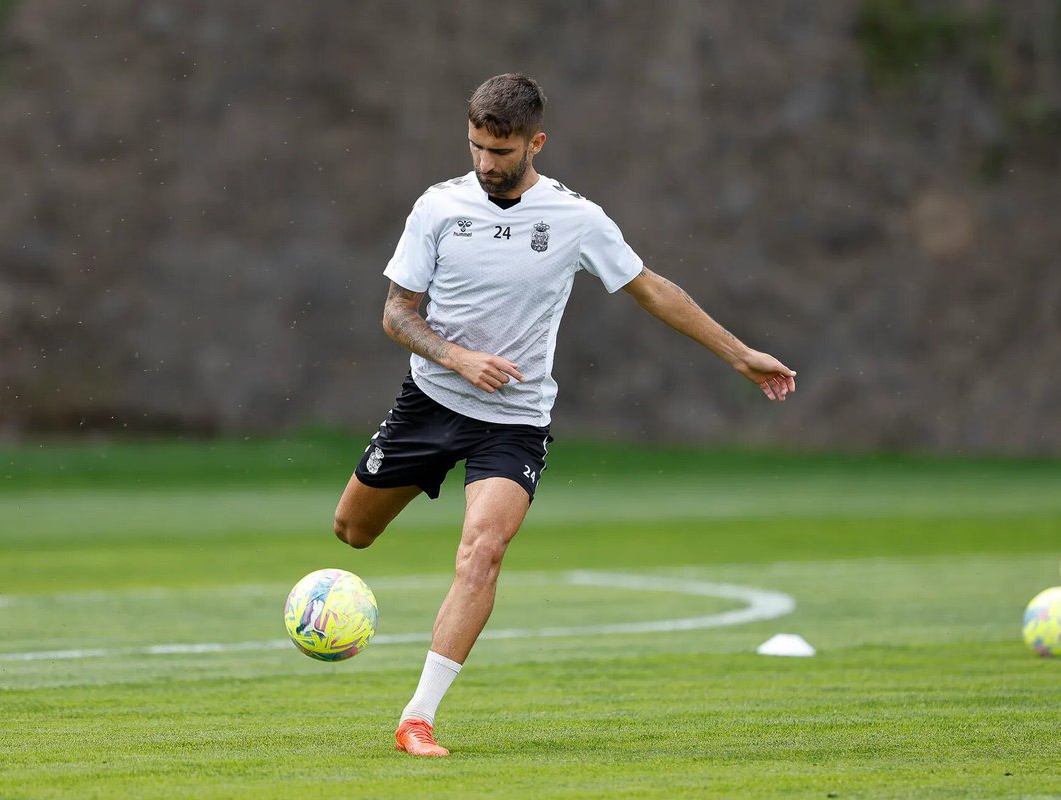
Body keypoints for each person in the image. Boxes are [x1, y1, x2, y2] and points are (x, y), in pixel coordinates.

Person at [332, 73, 796, 757]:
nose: (486, 164)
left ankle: (417, 718)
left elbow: (652, 290)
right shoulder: (437, 208)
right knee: (352, 532)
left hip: (514, 419)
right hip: (429, 403)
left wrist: (737, 353)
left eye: (501, 151)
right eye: (476, 148)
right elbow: (397, 314)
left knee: (483, 552)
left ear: (535, 142)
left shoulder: (576, 218)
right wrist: (458, 358)